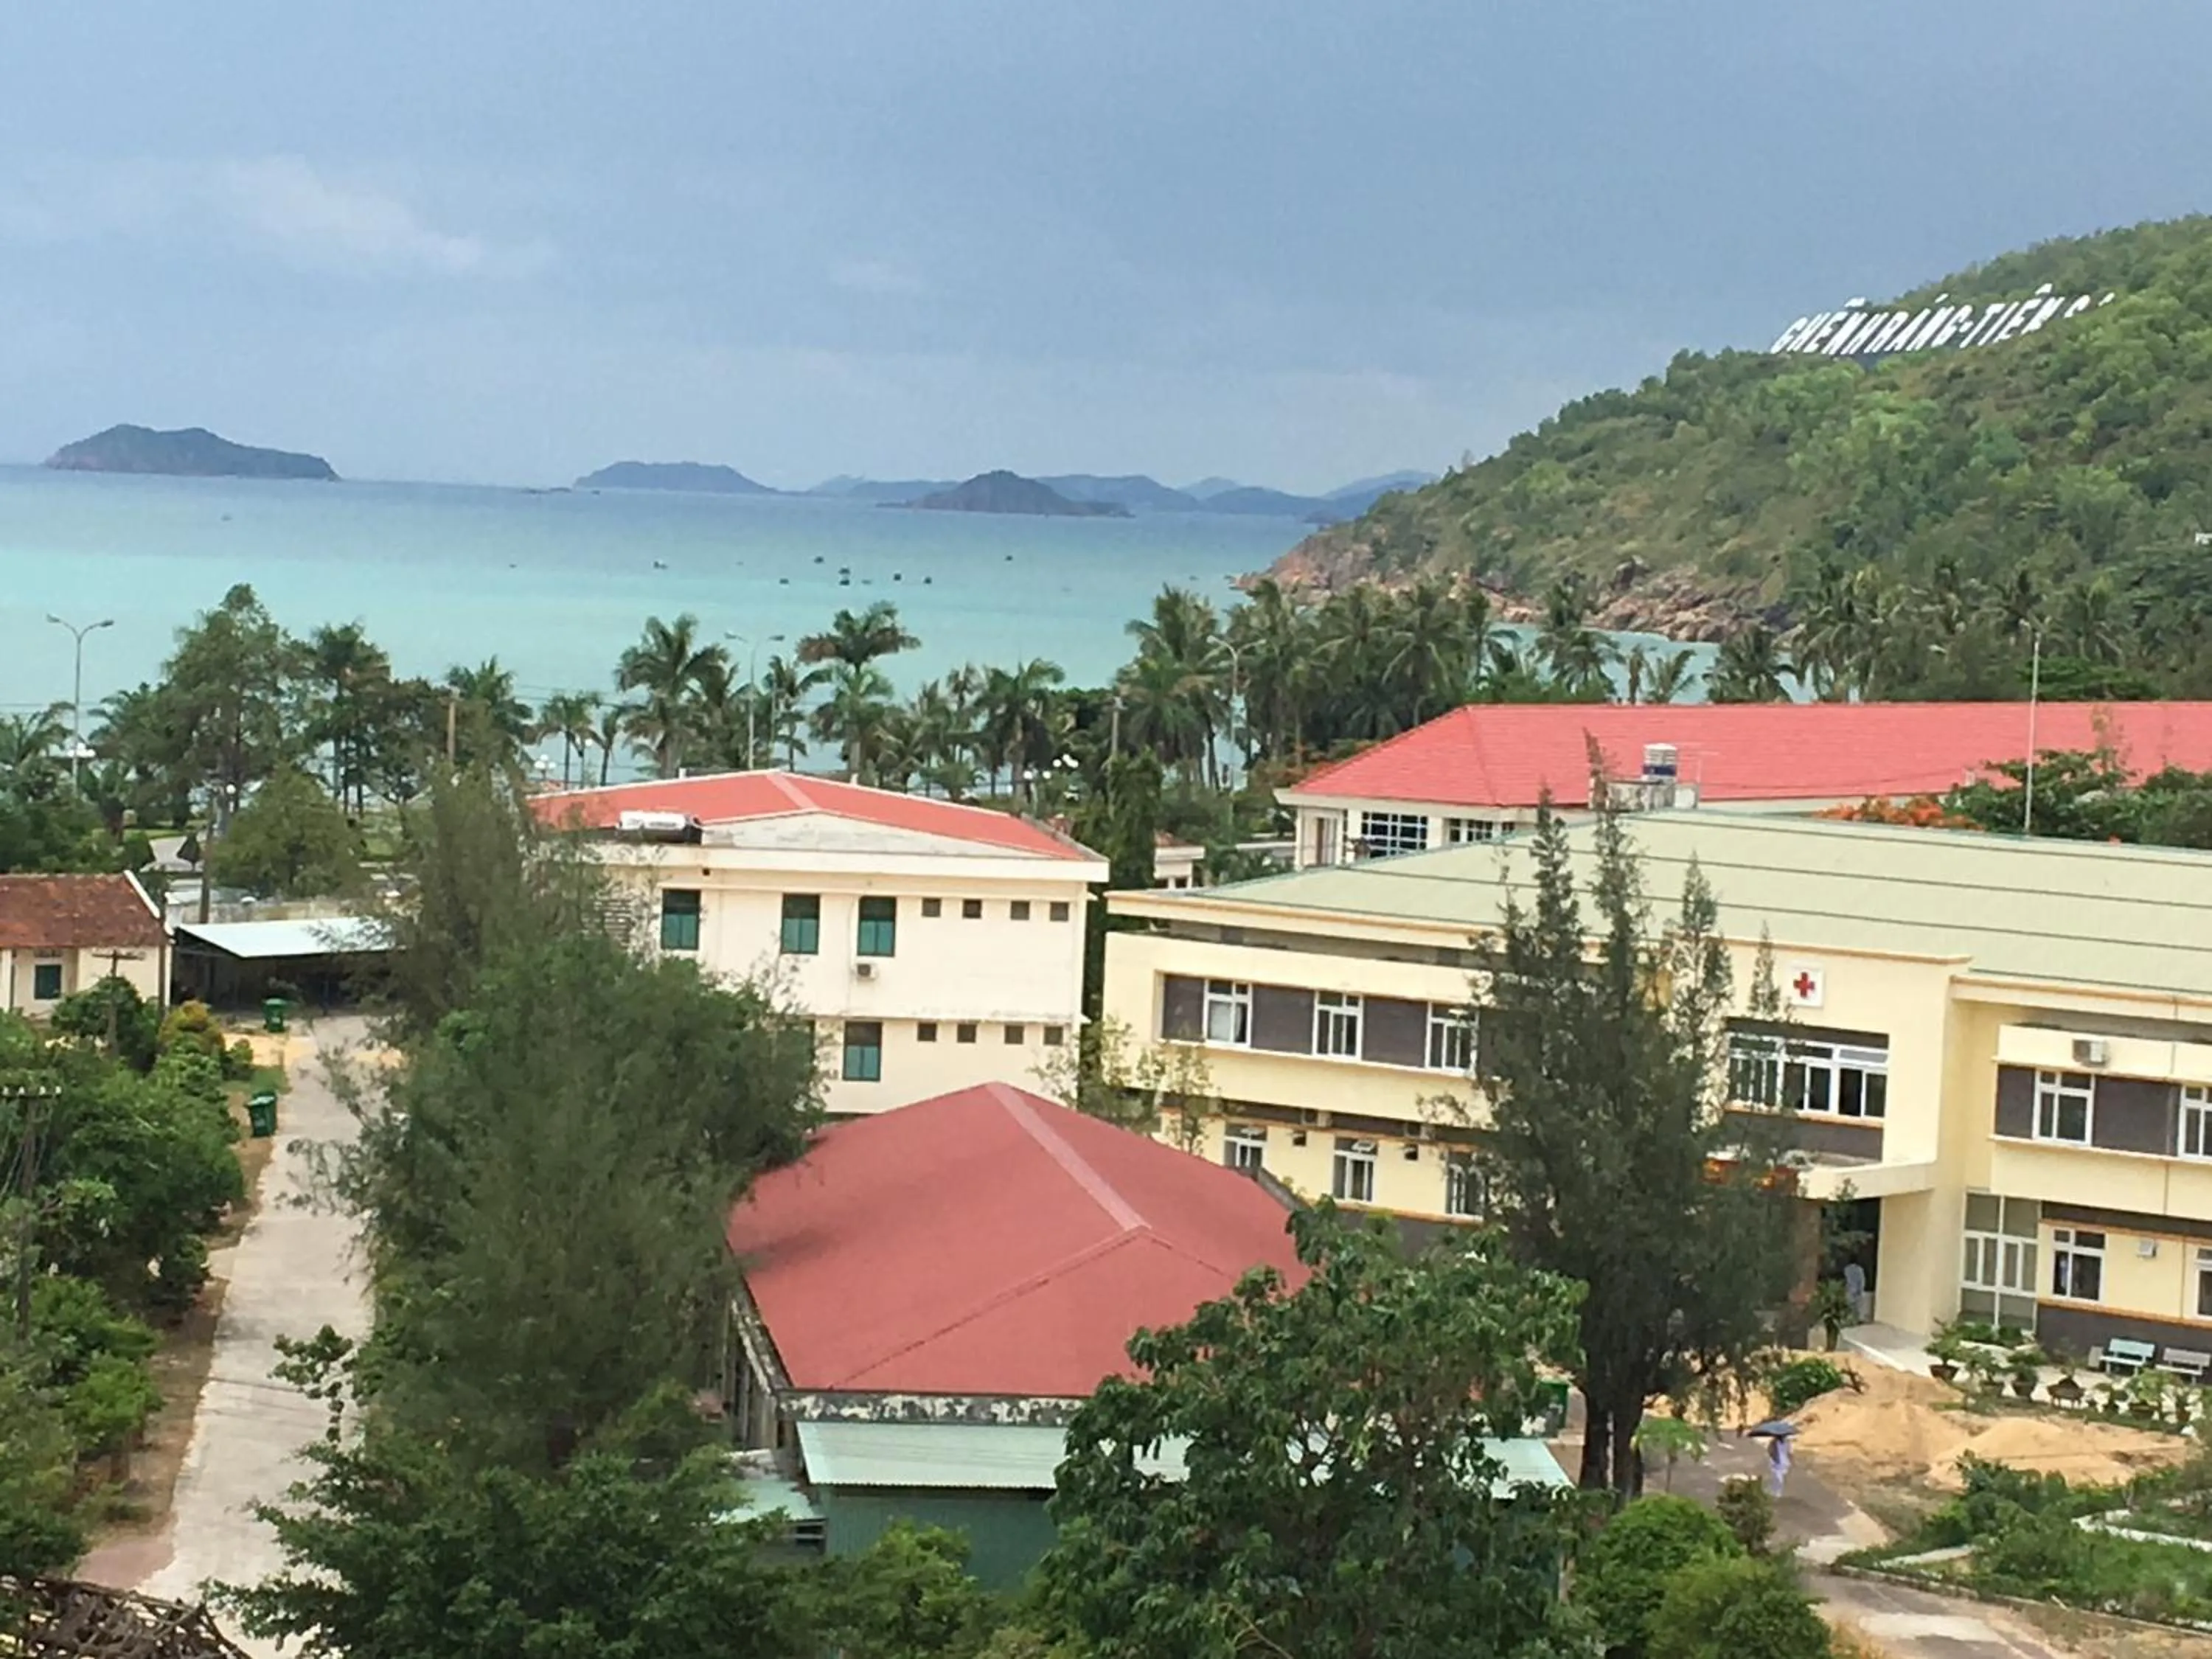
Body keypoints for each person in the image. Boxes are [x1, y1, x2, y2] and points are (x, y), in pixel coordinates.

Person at [1765, 1431, 1792, 1498]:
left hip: (1784, 1463)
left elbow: (1789, 1452)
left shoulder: (1787, 1443)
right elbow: (1769, 1451)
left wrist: (1791, 1461)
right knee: (1778, 1478)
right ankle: (1777, 1493)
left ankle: (1776, 1492)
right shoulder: (1773, 1443)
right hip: (1776, 1463)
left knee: (1780, 1478)